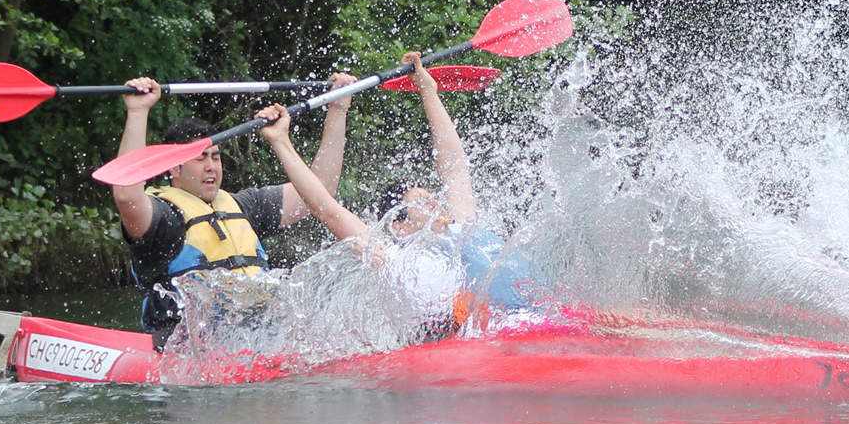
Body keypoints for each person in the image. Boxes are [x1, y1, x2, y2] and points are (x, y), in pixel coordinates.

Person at [256, 53, 543, 333]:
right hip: (473, 347)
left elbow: (455, 167)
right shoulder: (394, 262)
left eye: (431, 196)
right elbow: (326, 208)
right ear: (400, 227)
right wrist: (282, 140)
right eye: (421, 202)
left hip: (531, 323)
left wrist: (427, 89)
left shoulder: (461, 229)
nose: (435, 201)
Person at [111, 72, 356, 345]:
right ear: (173, 167)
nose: (211, 166)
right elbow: (125, 194)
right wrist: (138, 111)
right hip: (183, 350)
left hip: (260, 340)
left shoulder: (244, 206)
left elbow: (321, 191)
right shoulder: (162, 218)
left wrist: (338, 108)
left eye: (215, 157)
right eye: (199, 158)